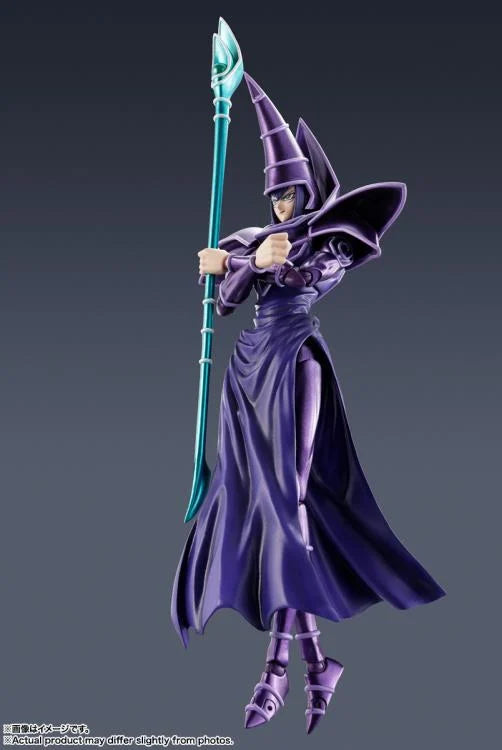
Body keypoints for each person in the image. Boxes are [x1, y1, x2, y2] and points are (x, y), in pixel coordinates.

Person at [171, 73, 446, 734]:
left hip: (296, 361)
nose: (282, 205)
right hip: (248, 372)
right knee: (257, 505)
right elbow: (226, 302)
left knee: (289, 505)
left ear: (309, 190)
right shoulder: (255, 237)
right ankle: (317, 663)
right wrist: (230, 264)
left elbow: (306, 275)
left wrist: (257, 262)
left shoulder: (331, 239)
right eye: (274, 195)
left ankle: (276, 670)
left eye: (290, 193)